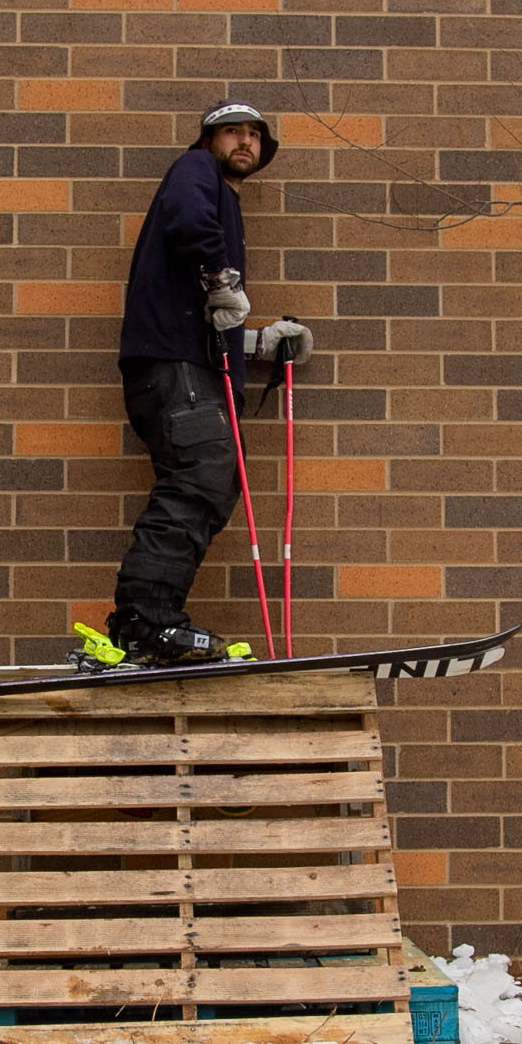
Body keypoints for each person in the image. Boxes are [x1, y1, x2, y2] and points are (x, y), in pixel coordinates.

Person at [104, 102, 313, 665]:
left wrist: (256, 342)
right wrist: (222, 278)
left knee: (212, 479)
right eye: (232, 132)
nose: (243, 142)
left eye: (253, 135)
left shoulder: (223, 198)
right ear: (208, 139)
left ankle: (146, 620)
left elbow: (195, 313)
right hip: (174, 368)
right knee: (203, 473)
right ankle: (145, 622)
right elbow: (188, 218)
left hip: (181, 363)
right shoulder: (195, 171)